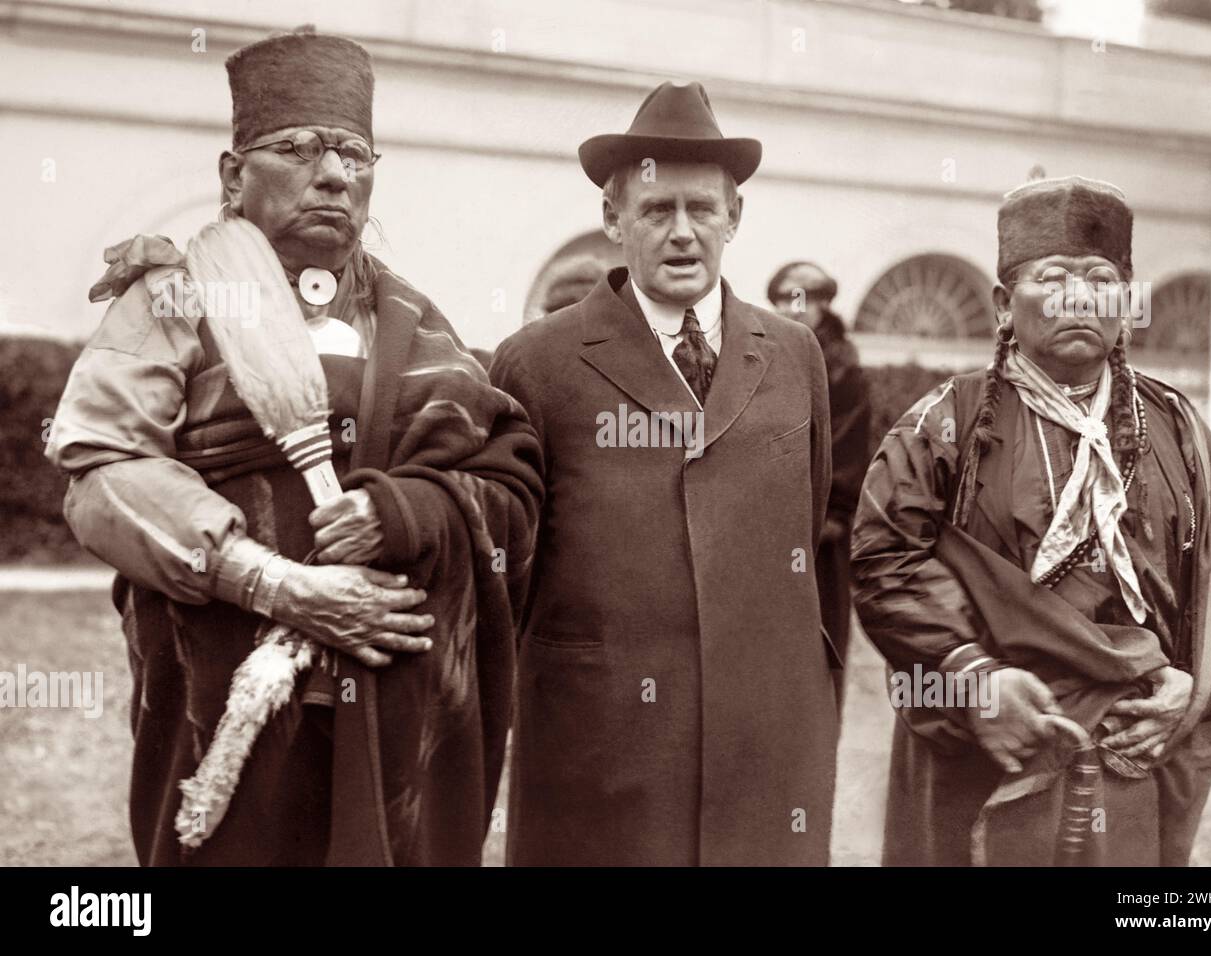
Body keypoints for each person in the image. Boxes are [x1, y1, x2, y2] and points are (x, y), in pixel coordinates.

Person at [45, 28, 542, 866]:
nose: (337, 174)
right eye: (300, 148)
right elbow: (101, 470)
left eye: (354, 153)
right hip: (220, 695)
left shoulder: (416, 323)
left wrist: (408, 511)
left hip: (388, 704)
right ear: (233, 174)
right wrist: (274, 583)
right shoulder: (172, 298)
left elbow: (507, 475)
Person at [850, 176, 1211, 866]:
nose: (1080, 297)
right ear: (1003, 305)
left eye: (1101, 279)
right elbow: (883, 558)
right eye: (1053, 278)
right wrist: (974, 675)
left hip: (1124, 757)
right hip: (986, 747)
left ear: (1128, 303)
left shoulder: (1177, 429)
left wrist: (1187, 690)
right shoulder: (945, 422)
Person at [490, 80, 840, 865]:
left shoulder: (793, 354)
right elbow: (510, 569)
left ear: (734, 218)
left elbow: (808, 516)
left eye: (702, 209)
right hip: (600, 755)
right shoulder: (538, 362)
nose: (682, 234)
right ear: (613, 220)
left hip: (761, 749)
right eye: (655, 210)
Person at [768, 262, 870, 714]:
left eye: (800, 299)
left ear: (823, 304)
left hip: (821, 534)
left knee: (818, 650)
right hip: (770, 528)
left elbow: (844, 459)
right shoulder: (771, 353)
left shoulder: (842, 368)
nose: (790, 309)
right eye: (782, 299)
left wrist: (819, 521)